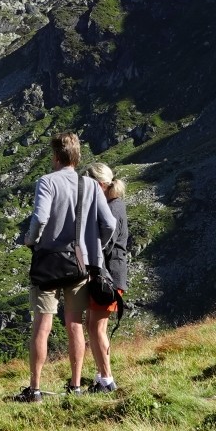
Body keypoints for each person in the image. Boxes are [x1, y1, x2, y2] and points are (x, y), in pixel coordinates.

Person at [15, 131, 114, 401]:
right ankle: (76, 386)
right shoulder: (90, 186)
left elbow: (40, 218)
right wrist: (93, 247)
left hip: (48, 264)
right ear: (77, 156)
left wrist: (30, 241)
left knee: (42, 325)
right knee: (75, 324)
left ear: (56, 156)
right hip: (78, 264)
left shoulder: (46, 182)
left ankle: (35, 389)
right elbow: (110, 225)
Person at [82, 162, 129, 394]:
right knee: (93, 325)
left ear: (99, 185)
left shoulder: (112, 208)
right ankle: (101, 376)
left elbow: (106, 244)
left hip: (107, 278)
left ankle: (107, 380)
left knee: (97, 327)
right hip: (110, 276)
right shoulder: (114, 204)